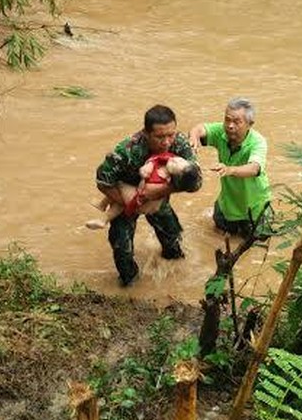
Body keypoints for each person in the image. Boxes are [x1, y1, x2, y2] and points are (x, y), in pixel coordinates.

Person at [95, 105, 202, 286]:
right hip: (125, 197)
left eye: (171, 135)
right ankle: (130, 287)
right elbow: (103, 181)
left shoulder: (180, 143)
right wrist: (132, 203)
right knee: (122, 249)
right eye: (160, 137)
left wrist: (160, 192)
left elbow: (196, 182)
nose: (167, 142)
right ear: (146, 133)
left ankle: (175, 282)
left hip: (158, 198)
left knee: (173, 243)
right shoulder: (126, 150)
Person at [189, 97, 273, 239]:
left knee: (256, 246)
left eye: (236, 122)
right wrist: (193, 139)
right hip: (227, 206)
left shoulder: (258, 142)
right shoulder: (221, 132)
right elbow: (199, 128)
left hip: (254, 209)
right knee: (216, 239)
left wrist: (229, 170)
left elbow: (254, 169)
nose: (230, 126)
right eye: (227, 120)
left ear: (250, 124)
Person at [87, 153, 201, 229]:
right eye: (179, 159)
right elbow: (160, 157)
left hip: (143, 201)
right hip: (143, 196)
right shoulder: (170, 161)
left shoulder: (159, 183)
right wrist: (150, 164)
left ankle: (104, 219)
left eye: (178, 164)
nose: (176, 160)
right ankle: (102, 205)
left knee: (119, 188)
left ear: (171, 179)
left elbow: (142, 195)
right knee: (122, 193)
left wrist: (130, 207)